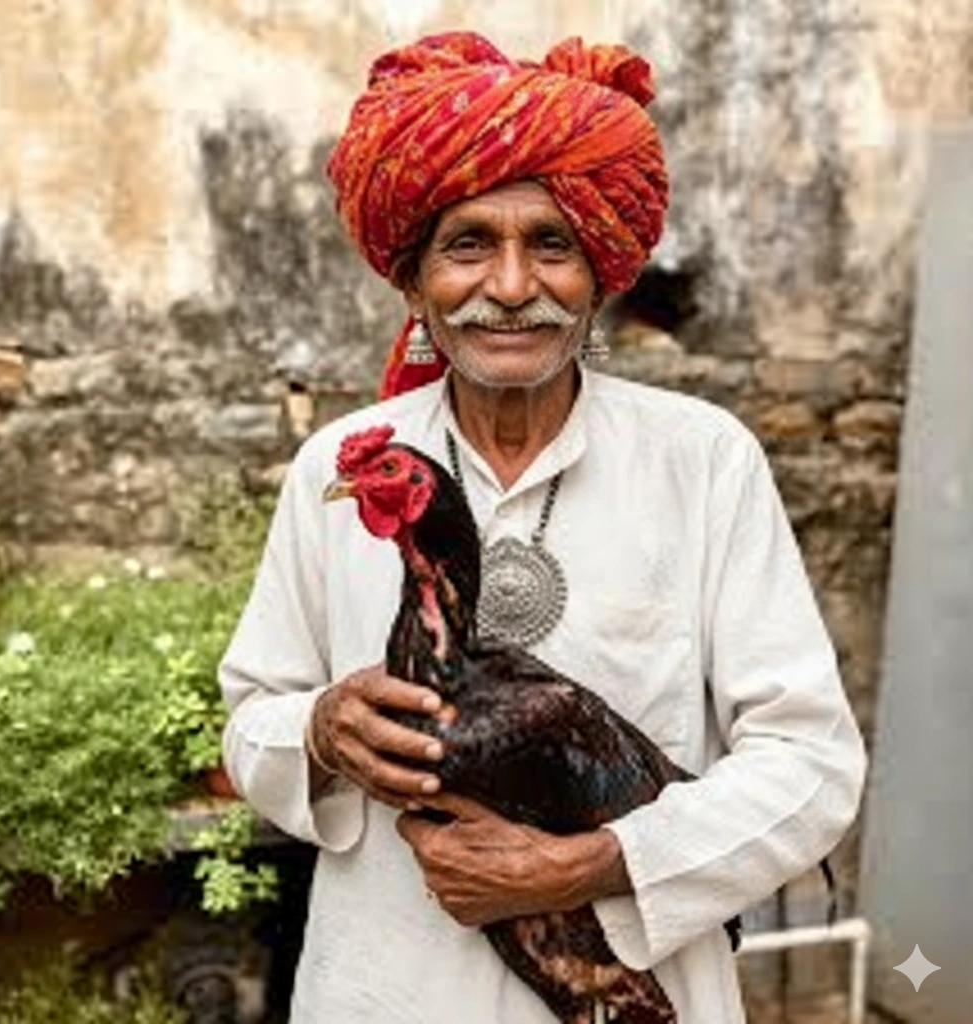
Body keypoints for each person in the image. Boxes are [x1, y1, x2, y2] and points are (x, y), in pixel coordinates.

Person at [219, 31, 866, 1024]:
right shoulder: (336, 468)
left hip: (640, 987)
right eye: (468, 244)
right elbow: (250, 721)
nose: (513, 286)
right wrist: (318, 729)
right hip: (391, 989)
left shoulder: (701, 460)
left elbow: (810, 764)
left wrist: (588, 863)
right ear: (414, 284)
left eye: (551, 245)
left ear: (599, 273)